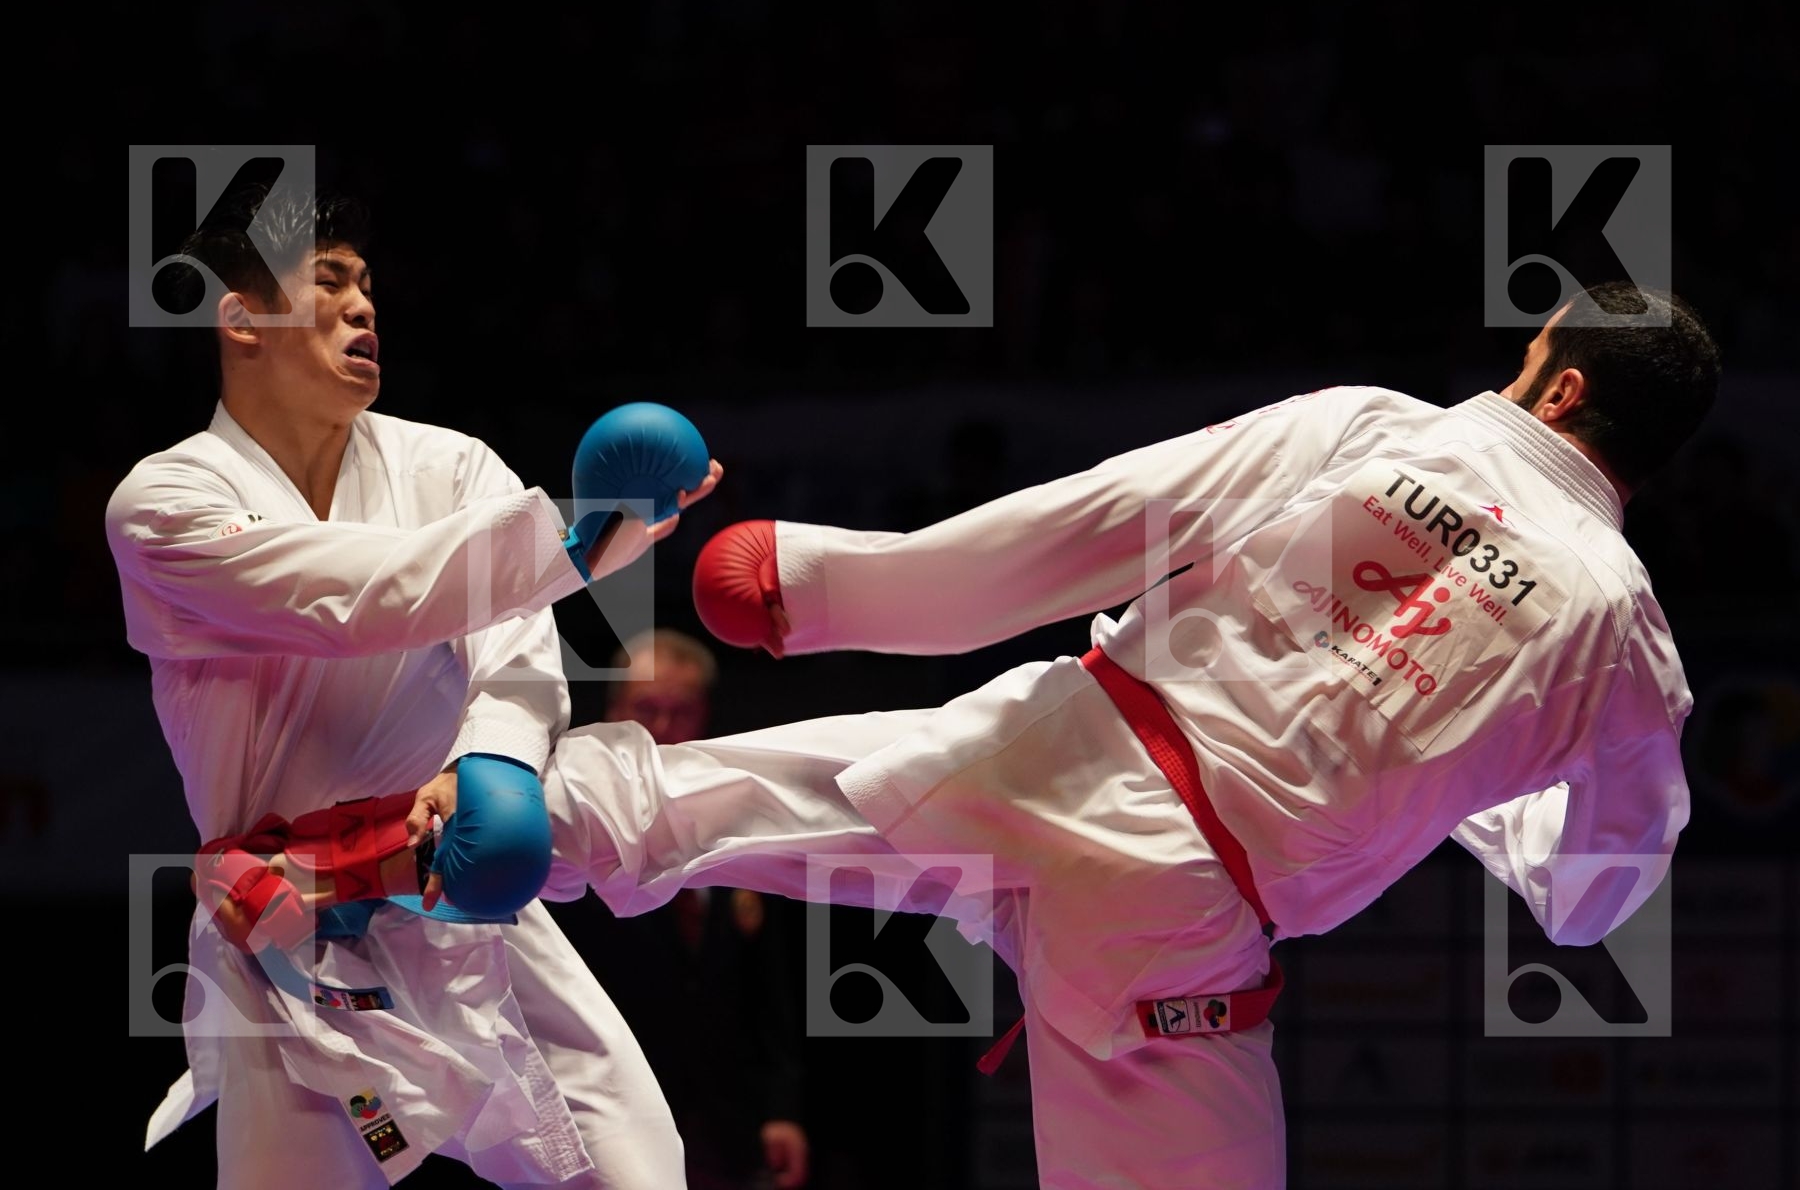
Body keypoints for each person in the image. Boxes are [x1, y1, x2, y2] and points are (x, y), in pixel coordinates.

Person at [523, 282, 1720, 1187]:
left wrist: (834, 585)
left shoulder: (1381, 428)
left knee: (716, 803)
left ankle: (442, 818)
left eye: (1526, 363)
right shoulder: (1627, 644)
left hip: (1054, 761)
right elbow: (1592, 900)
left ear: (1560, 390)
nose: (1507, 378)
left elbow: (1110, 518)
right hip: (1180, 932)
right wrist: (1463, 791)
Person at [108, 184, 719, 1188]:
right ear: (243, 318)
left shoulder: (454, 465)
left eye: (370, 288)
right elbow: (360, 594)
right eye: (332, 284)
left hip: (457, 881)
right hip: (292, 923)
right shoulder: (166, 504)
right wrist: (578, 537)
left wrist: (491, 766)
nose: (364, 308)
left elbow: (516, 648)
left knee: (637, 1169)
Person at [551, 629, 811, 1190]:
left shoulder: (737, 818)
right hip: (607, 1107)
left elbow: (770, 993)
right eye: (647, 710)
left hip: (725, 1118)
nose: (664, 730)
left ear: (705, 716)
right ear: (614, 712)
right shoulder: (562, 827)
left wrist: (781, 1106)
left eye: (682, 711)